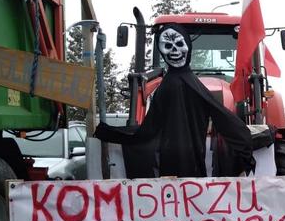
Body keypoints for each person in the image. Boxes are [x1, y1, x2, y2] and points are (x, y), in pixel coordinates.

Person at [94, 23, 253, 178]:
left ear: (187, 46)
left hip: (173, 160)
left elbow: (149, 129)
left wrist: (116, 134)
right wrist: (244, 138)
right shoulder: (182, 84)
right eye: (168, 46)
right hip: (189, 159)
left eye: (178, 44)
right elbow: (220, 114)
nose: (174, 51)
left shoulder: (171, 84)